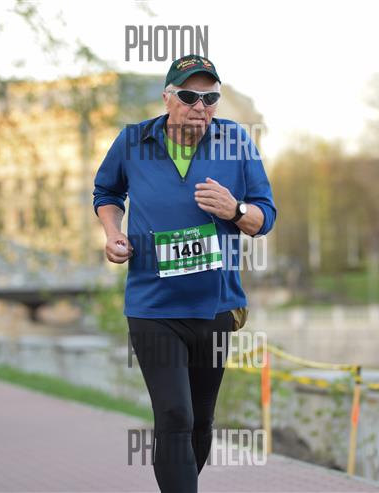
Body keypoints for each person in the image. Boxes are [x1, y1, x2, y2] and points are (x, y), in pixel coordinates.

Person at [93, 55, 276, 492]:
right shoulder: (133, 141)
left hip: (215, 307)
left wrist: (235, 209)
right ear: (167, 97)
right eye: (190, 96)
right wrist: (113, 233)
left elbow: (265, 217)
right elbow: (107, 191)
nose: (200, 107)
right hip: (153, 306)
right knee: (174, 414)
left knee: (200, 419)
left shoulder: (236, 141)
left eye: (210, 98)